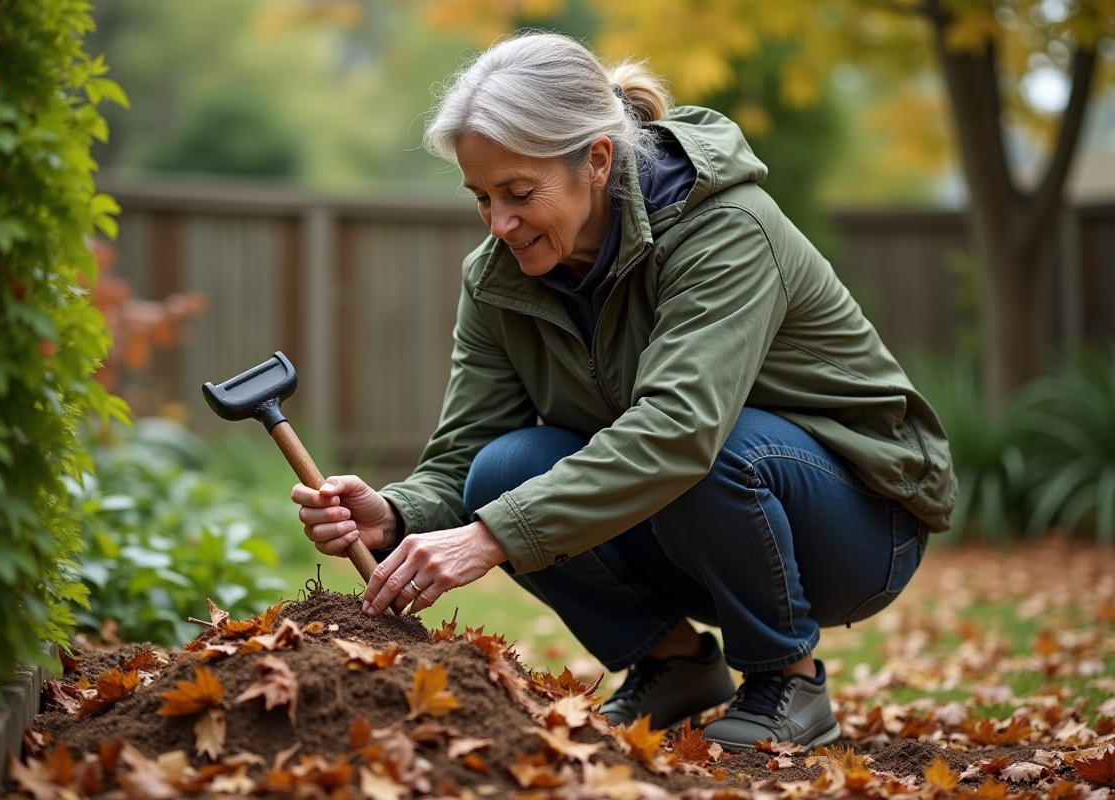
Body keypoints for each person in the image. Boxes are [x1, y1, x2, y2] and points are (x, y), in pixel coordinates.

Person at [291, 32, 956, 752]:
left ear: (597, 162)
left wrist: (489, 539)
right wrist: (395, 514)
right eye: (481, 197)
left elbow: (678, 432)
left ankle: (787, 680)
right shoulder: (498, 279)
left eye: (519, 193)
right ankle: (672, 663)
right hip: (697, 525)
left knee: (708, 448)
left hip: (855, 527)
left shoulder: (725, 230)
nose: (499, 223)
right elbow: (468, 452)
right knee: (504, 469)